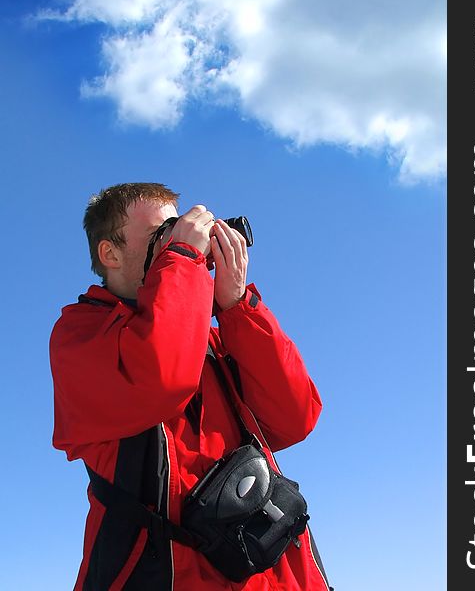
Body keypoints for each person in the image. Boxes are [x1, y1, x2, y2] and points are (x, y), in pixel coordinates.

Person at [50, 183, 330, 590]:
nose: (181, 239)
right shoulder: (79, 333)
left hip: (273, 574)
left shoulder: (211, 342)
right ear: (109, 254)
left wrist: (236, 306)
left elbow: (296, 417)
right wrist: (183, 259)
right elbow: (161, 379)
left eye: (180, 229)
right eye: (161, 233)